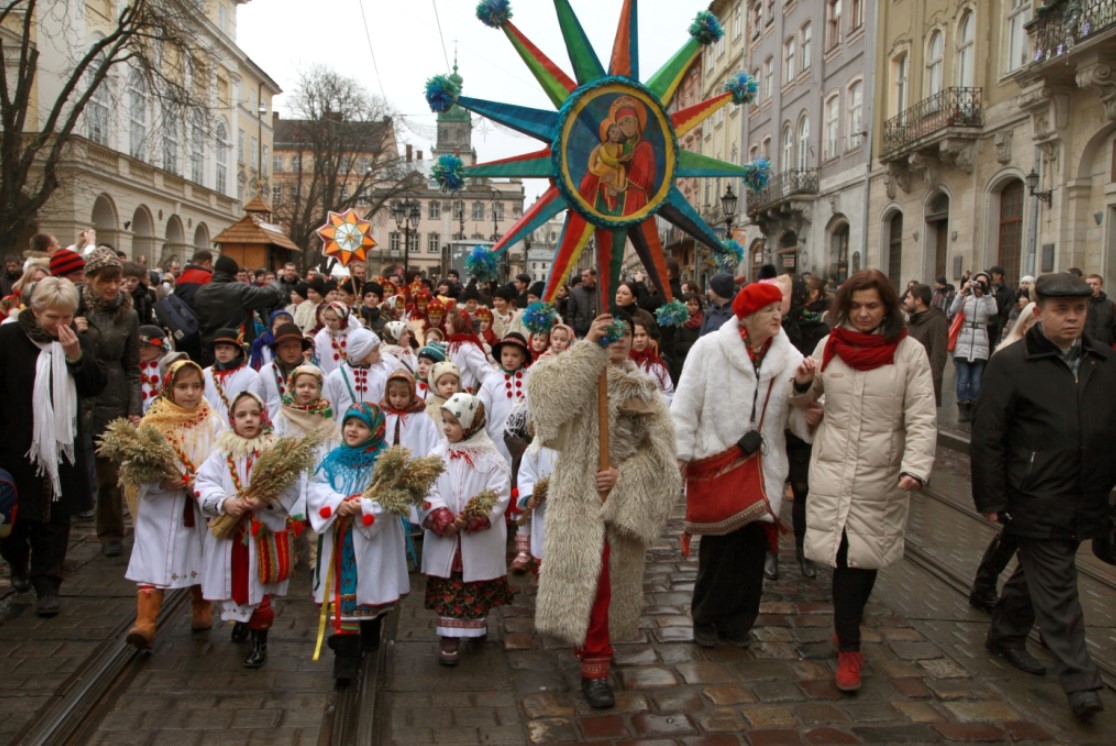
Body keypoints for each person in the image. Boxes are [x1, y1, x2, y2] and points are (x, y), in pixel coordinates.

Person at [971, 273, 1115, 721]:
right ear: (1039, 310)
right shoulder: (1012, 363)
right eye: (1061, 310)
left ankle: (1006, 633)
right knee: (1059, 588)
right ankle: (1081, 682)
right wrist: (991, 495)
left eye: (1079, 310)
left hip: (1087, 492)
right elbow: (989, 435)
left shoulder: (1103, 360)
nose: (1072, 319)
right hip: (1035, 493)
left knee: (1040, 575)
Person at [791, 269, 936, 693]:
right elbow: (804, 398)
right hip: (834, 464)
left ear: (888, 307)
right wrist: (802, 382)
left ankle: (847, 629)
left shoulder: (909, 353)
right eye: (856, 306)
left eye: (872, 305)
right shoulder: (829, 344)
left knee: (865, 557)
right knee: (842, 556)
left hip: (881, 471)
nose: (864, 313)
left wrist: (915, 467)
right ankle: (849, 644)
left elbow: (923, 417)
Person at [527, 313, 679, 709]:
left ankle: (597, 662)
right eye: (610, 334)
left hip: (619, 503)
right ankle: (592, 656)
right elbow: (546, 405)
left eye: (625, 334)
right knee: (588, 582)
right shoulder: (573, 370)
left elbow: (663, 457)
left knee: (606, 584)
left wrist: (624, 477)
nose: (620, 340)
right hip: (577, 494)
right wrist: (587, 351)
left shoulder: (645, 390)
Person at [672, 282, 809, 650]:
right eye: (768, 311)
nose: (776, 316)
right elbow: (685, 404)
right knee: (718, 548)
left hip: (763, 468)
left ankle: (738, 622)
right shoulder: (710, 348)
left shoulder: (790, 356)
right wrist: (682, 454)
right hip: (717, 462)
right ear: (747, 316)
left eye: (778, 309)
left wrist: (808, 400)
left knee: (751, 552)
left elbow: (795, 420)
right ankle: (705, 617)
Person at [0, 278, 106, 616]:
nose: (61, 325)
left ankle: (48, 584)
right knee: (13, 519)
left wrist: (76, 355)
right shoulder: (8, 338)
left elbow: (94, 384)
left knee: (55, 519)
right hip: (14, 442)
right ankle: (18, 564)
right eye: (52, 318)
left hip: (62, 445)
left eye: (66, 317)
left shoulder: (78, 339)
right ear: (35, 310)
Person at [196, 391, 302, 668]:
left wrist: (267, 500)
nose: (249, 420)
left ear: (264, 416)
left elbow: (291, 484)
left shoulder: (275, 451)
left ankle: (259, 640)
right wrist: (224, 502)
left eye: (254, 414)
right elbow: (204, 482)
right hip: (232, 533)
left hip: (264, 532)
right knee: (236, 583)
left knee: (261, 584)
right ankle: (242, 621)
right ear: (232, 419)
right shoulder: (221, 452)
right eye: (242, 415)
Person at [124, 360, 224, 650]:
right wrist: (160, 482)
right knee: (152, 560)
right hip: (160, 507)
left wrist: (201, 482)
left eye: (195, 386)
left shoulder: (213, 420)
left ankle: (202, 609)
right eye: (182, 387)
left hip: (197, 505)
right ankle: (145, 623)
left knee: (199, 556)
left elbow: (223, 458)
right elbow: (135, 467)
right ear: (169, 388)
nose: (190, 393)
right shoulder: (152, 423)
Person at [308, 402, 408, 684]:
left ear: (375, 430)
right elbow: (316, 487)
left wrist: (363, 507)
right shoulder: (333, 458)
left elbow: (395, 497)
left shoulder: (386, 461)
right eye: (350, 424)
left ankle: (372, 626)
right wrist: (336, 503)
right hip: (340, 537)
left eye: (361, 425)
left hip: (373, 541)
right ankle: (345, 659)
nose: (353, 430)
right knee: (344, 599)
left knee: (371, 590)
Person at [420, 393, 513, 666]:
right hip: (445, 535)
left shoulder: (492, 458)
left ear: (471, 424)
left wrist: (473, 518)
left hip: (476, 538)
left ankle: (476, 625)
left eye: (453, 422)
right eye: (445, 421)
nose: (447, 427)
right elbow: (426, 487)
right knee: (450, 584)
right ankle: (448, 636)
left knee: (474, 584)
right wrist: (441, 516)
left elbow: (498, 494)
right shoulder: (437, 455)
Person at [76, 248, 142, 558]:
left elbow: (132, 368)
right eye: (106, 280)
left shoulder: (128, 314)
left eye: (117, 280)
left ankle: (111, 533)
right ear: (89, 279)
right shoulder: (76, 310)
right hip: (78, 394)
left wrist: (133, 409)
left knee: (110, 477)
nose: (113, 286)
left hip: (112, 396)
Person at [780, 274, 832, 580]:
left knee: (802, 488)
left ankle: (803, 548)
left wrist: (818, 408)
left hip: (802, 418)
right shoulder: (764, 329)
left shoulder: (818, 330)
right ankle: (769, 552)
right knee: (770, 488)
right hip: (771, 420)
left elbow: (825, 376)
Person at [192, 255, 280, 367]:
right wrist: (275, 283)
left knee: (214, 381)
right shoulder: (239, 290)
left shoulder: (201, 292)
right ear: (234, 274)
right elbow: (270, 295)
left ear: (215, 271)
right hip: (237, 350)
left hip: (211, 350)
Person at [949, 271, 997, 424]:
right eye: (977, 282)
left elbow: (993, 312)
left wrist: (987, 294)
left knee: (976, 380)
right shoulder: (966, 299)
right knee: (963, 379)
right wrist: (962, 291)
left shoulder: (988, 300)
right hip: (964, 339)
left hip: (980, 341)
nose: (979, 286)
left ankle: (974, 407)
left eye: (983, 283)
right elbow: (953, 309)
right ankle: (963, 408)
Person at [325, 328, 402, 418]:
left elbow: (384, 409)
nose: (379, 354)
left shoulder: (381, 377)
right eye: (375, 350)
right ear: (361, 352)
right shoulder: (336, 377)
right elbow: (331, 409)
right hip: (343, 430)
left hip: (372, 430)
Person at [202, 329, 263, 424]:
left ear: (237, 352)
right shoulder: (204, 374)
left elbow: (253, 406)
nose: (222, 351)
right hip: (210, 428)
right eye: (218, 348)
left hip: (237, 430)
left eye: (227, 348)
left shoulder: (251, 376)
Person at [903, 283, 949, 406]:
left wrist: (931, 386)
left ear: (918, 301)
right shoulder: (911, 322)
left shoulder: (936, 321)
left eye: (908, 297)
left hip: (924, 385)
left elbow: (938, 355)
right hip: (907, 381)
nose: (905, 301)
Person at [259, 323, 314, 420]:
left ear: (302, 348)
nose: (291, 350)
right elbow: (258, 403)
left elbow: (325, 403)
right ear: (277, 349)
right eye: (286, 346)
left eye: (296, 346)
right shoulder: (265, 372)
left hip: (307, 430)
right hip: (274, 431)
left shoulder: (313, 372)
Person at [137, 326, 187, 413]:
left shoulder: (171, 365)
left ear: (161, 346)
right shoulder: (132, 367)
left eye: (146, 345)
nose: (141, 349)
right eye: (138, 346)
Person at [444, 308, 491, 393]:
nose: (445, 325)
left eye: (448, 322)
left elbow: (486, 372)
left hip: (466, 397)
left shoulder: (467, 347)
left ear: (458, 325)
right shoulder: (454, 344)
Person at [314, 302, 363, 377]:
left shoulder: (354, 334)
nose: (329, 323)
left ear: (343, 319)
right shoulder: (321, 336)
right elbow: (316, 359)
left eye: (334, 320)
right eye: (327, 319)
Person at [629, 318, 672, 401]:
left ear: (648, 337)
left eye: (642, 335)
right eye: (635, 336)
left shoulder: (657, 365)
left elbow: (669, 394)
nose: (639, 340)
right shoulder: (622, 363)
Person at [1083, 273, 1116, 346]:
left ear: (1101, 286)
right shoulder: (1080, 304)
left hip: (1105, 346)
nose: (1091, 286)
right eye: (1089, 284)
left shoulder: (1110, 305)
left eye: (1095, 284)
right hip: (1085, 347)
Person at [566, 269, 598, 338]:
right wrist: (572, 331)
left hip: (595, 333)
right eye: (582, 276)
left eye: (586, 276)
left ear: (593, 277)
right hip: (578, 333)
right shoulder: (575, 292)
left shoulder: (599, 293)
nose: (583, 278)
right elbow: (570, 315)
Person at [988, 266, 1014, 346]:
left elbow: (1010, 307)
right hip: (986, 325)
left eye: (992, 274)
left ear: (999, 276)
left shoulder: (1008, 291)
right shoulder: (987, 289)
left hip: (999, 326)